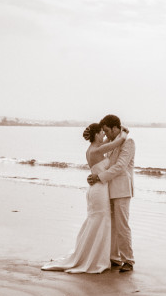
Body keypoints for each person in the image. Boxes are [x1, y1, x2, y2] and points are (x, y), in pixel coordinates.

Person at [42, 122, 128, 273]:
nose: (104, 135)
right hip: (99, 190)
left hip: (95, 189)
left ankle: (94, 254)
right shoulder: (98, 150)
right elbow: (117, 142)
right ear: (96, 135)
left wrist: (112, 135)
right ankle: (94, 257)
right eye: (102, 133)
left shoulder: (91, 150)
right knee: (101, 222)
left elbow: (109, 143)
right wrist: (124, 133)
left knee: (96, 222)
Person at [87, 114, 136, 272]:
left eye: (108, 131)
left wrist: (99, 177)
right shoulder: (113, 141)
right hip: (106, 189)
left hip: (121, 190)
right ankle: (114, 258)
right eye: (104, 132)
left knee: (122, 225)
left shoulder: (128, 142)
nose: (106, 134)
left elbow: (120, 166)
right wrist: (96, 176)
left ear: (116, 128)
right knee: (111, 226)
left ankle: (128, 260)